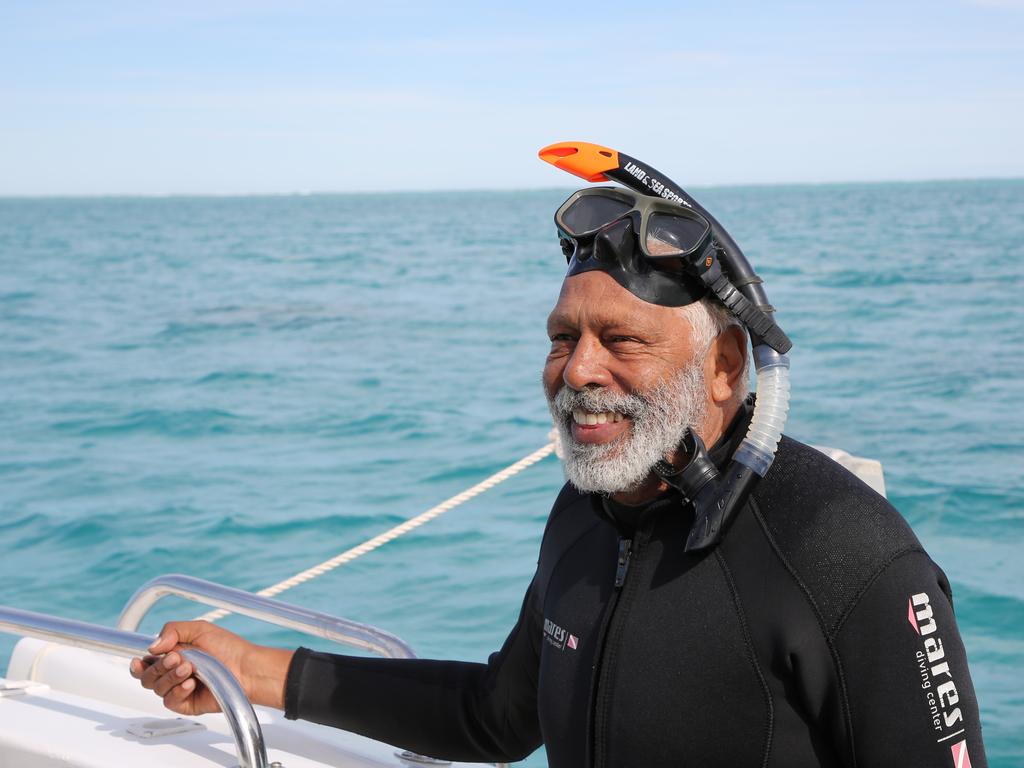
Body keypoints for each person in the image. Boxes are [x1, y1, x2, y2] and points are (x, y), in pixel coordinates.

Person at [131, 146, 987, 767]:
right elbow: (496, 716)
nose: (577, 370)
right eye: (562, 338)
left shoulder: (845, 556)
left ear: (725, 368)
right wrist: (249, 669)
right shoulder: (590, 511)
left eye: (621, 339)